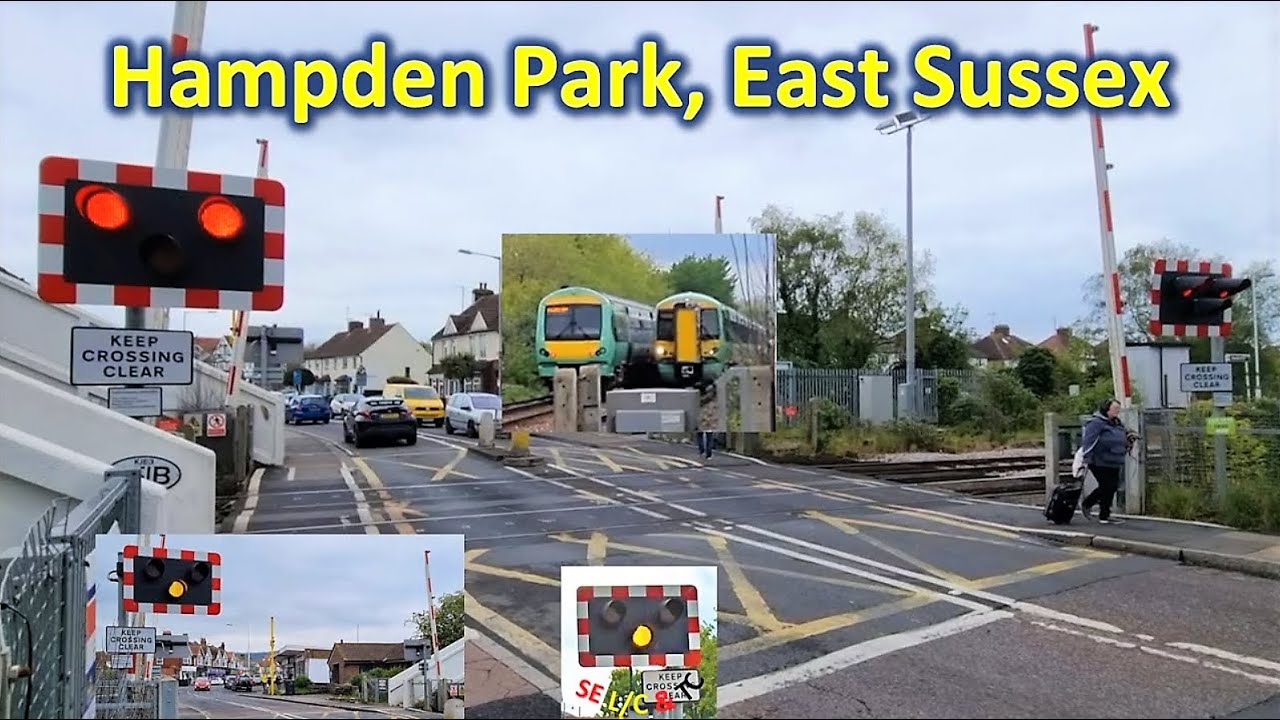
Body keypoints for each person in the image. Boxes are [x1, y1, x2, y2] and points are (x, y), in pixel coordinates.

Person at [1079, 398, 1137, 524]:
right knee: (1107, 486)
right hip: (1098, 460)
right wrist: (1086, 459)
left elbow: (1126, 432)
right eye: (1115, 408)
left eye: (1118, 409)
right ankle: (1090, 505)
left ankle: (1104, 514)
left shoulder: (1117, 423)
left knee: (1112, 486)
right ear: (1107, 409)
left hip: (1114, 460)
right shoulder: (1096, 423)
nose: (1117, 411)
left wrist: (1130, 436)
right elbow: (1088, 441)